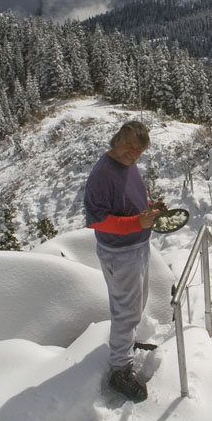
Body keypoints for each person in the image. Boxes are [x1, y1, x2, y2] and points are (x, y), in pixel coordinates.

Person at [83, 121, 164, 402]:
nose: (134, 151)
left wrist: (149, 209)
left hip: (137, 246)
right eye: (129, 144)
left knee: (137, 304)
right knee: (125, 312)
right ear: (116, 139)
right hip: (120, 253)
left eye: (139, 148)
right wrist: (136, 222)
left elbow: (129, 201)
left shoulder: (127, 164)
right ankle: (120, 369)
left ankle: (126, 345)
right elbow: (98, 221)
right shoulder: (102, 175)